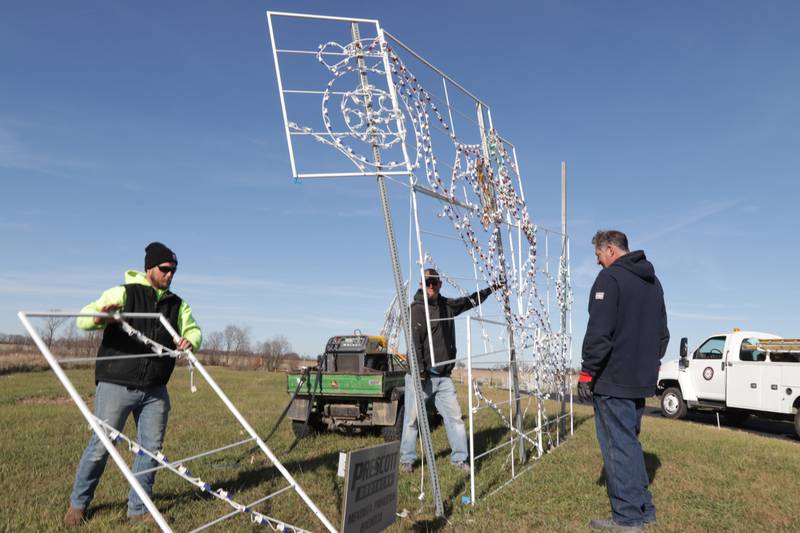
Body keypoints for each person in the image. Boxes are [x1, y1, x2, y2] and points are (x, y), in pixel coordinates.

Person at [64, 242, 202, 526]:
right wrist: (103, 315)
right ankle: (78, 505)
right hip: (117, 382)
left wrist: (191, 341)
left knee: (151, 450)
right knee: (101, 446)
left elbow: (193, 331)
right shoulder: (124, 292)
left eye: (174, 270)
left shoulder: (178, 304)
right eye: (165, 269)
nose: (170, 275)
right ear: (149, 268)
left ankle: (138, 510)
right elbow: (84, 320)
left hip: (155, 389)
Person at [578, 230, 669, 532]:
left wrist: (587, 373)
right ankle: (645, 510)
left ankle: (628, 518)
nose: (597, 261)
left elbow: (599, 333)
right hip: (639, 380)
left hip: (613, 379)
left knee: (618, 448)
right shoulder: (653, 283)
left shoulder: (610, 279)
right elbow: (662, 335)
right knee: (629, 443)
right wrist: (648, 365)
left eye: (598, 255)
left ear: (611, 250)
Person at [399, 268, 499, 473]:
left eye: (434, 283)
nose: (431, 287)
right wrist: (419, 371)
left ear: (440, 284)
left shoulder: (447, 306)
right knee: (412, 420)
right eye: (427, 283)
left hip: (443, 378)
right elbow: (413, 342)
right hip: (420, 377)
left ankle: (459, 459)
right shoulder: (415, 309)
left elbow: (469, 301)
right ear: (421, 284)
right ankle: (406, 460)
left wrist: (491, 290)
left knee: (455, 419)